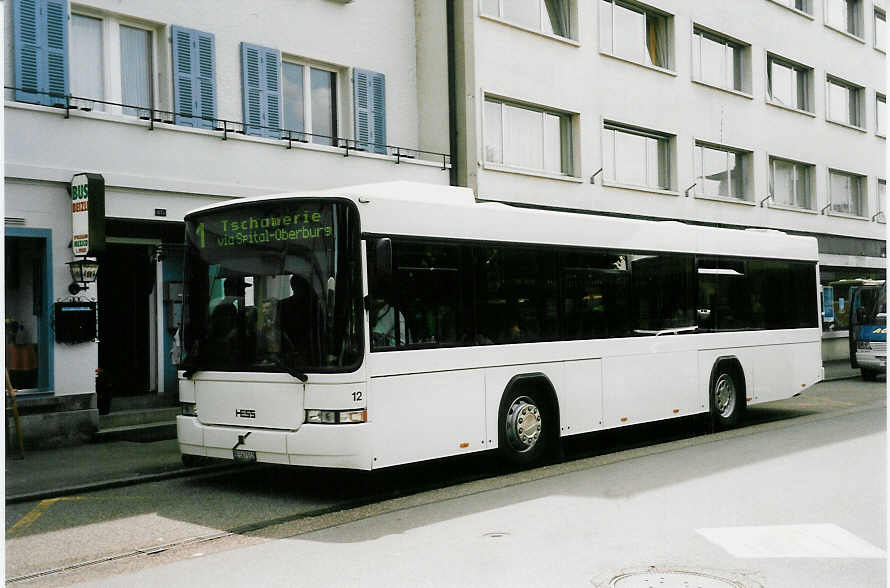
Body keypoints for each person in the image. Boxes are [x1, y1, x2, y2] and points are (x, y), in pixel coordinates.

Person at [278, 275, 323, 364]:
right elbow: (278, 330)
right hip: (289, 353)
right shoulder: (314, 304)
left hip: (310, 352)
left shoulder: (314, 305)